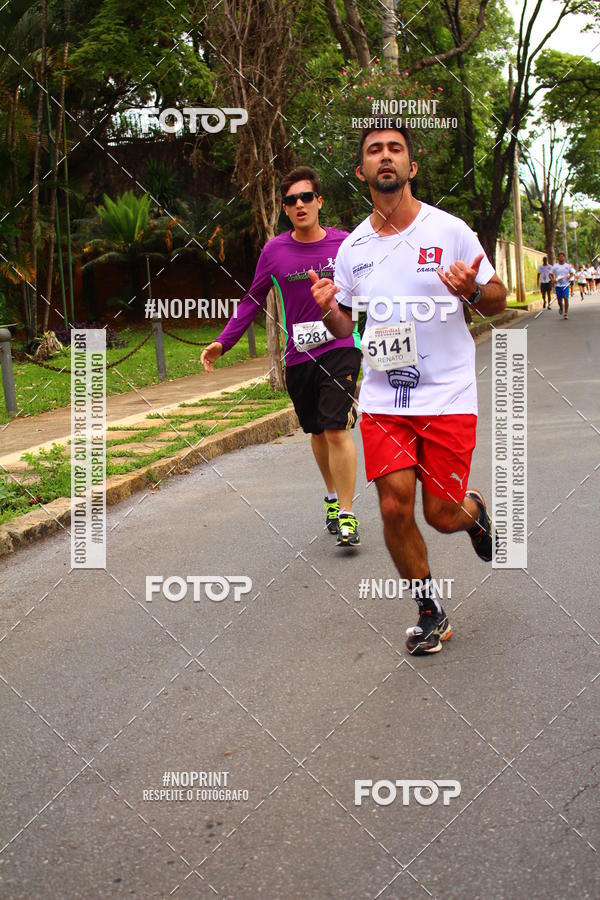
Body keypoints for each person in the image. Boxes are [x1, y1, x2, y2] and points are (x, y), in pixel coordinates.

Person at [309, 126, 507, 654]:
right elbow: (343, 326)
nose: (386, 157)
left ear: (411, 167)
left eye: (396, 149)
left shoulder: (451, 231)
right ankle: (428, 610)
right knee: (395, 508)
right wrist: (329, 306)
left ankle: (472, 512)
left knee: (439, 515)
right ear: (363, 172)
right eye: (375, 151)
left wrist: (471, 289)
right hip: (383, 400)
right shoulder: (353, 249)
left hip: (446, 395)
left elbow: (499, 299)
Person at [201, 166, 362, 547]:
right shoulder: (275, 251)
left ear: (320, 201)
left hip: (341, 346)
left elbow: (374, 286)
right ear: (285, 209)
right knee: (318, 430)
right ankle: (330, 496)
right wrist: (224, 342)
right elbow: (252, 299)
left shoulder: (347, 244)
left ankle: (348, 513)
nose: (300, 204)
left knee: (336, 425)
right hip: (299, 356)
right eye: (291, 200)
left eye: (307, 197)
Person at [551, 251, 573, 319]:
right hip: (558, 285)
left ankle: (566, 313)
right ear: (558, 258)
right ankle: (561, 307)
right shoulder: (555, 266)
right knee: (559, 300)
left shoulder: (567, 266)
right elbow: (550, 274)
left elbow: (571, 273)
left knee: (566, 298)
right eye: (560, 257)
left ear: (564, 257)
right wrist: (553, 280)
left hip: (565, 285)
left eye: (562, 257)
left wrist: (569, 276)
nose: (561, 258)